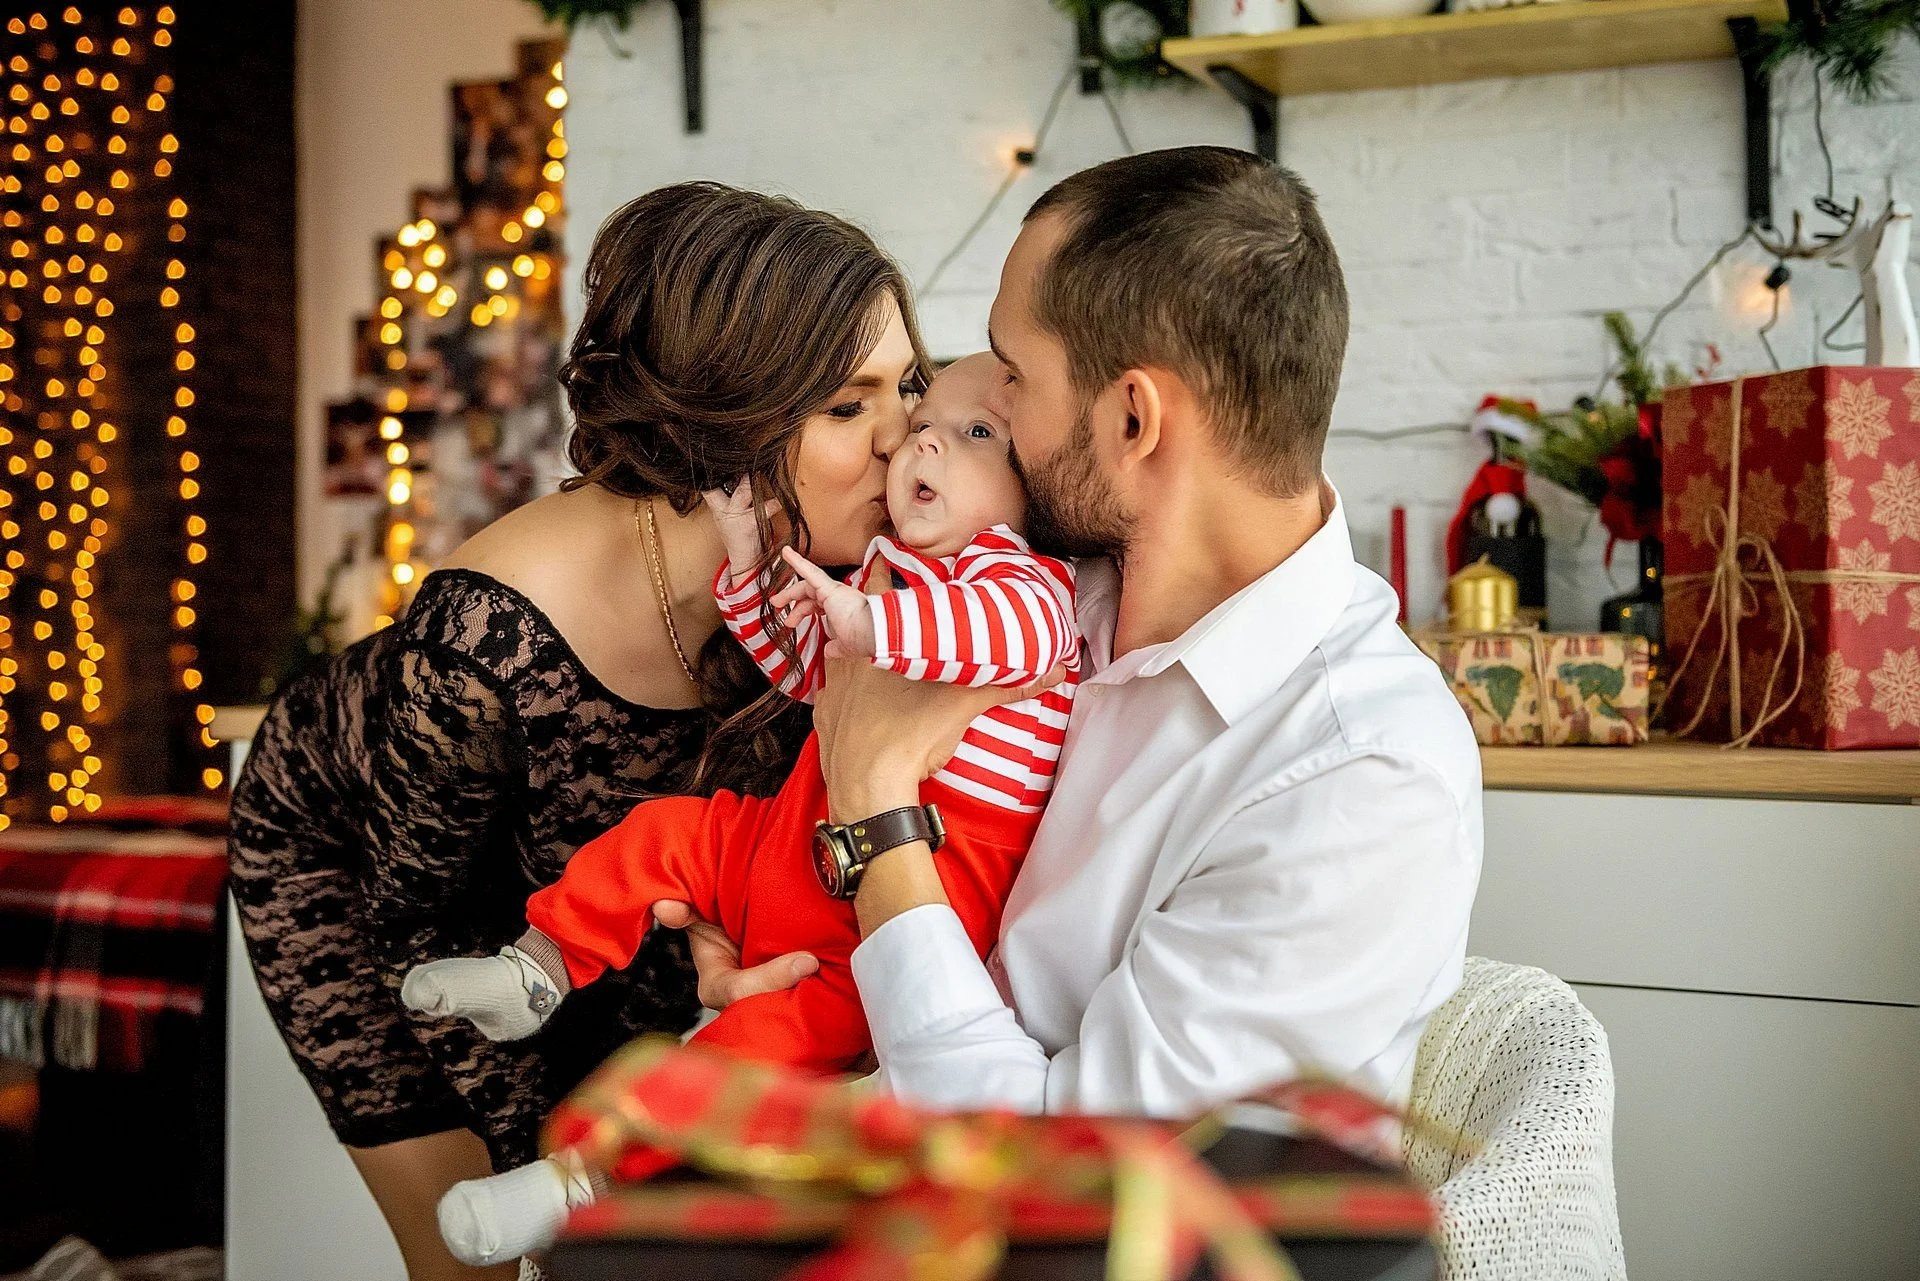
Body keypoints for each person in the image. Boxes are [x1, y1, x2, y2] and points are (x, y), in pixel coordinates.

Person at [668, 147, 1484, 1121]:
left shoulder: (1358, 779)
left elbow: (1077, 1170)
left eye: (1013, 376)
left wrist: (874, 810)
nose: (976, 405)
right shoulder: (1028, 588)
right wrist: (773, 928)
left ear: (1133, 418)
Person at [227, 181, 929, 1281]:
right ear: (720, 423)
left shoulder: (849, 586)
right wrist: (557, 1155)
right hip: (353, 877)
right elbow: (432, 930)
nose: (906, 440)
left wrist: (717, 952)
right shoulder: (481, 645)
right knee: (490, 1259)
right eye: (848, 406)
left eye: (911, 388)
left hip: (576, 894)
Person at [399, 353, 1078, 1265]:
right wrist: (756, 561)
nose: (921, 442)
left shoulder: (1027, 584)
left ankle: (577, 1180)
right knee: (665, 834)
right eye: (927, 422)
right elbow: (807, 673)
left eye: (975, 434)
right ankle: (540, 967)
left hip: (901, 898)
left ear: (1030, 487)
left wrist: (866, 623)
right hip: (798, 823)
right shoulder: (888, 568)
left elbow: (1001, 639)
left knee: (741, 1049)